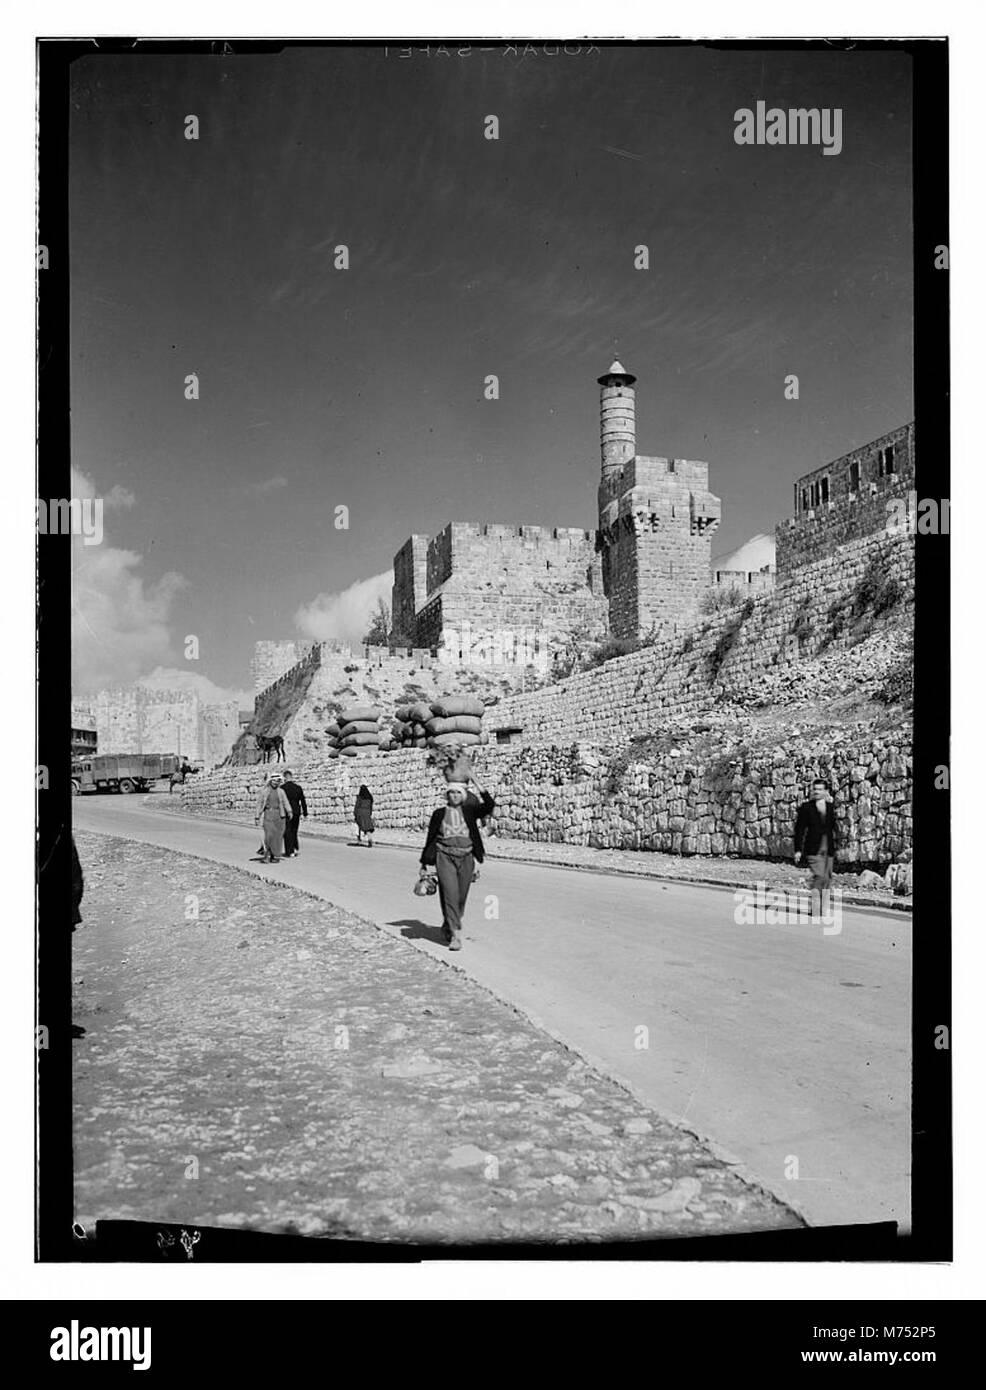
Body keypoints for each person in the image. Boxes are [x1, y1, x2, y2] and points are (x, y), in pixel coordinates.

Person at [420, 772, 495, 951]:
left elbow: (490, 805)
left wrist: (477, 782)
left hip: (467, 857)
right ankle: (456, 936)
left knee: (461, 897)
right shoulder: (439, 814)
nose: (454, 796)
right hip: (444, 857)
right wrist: (423, 864)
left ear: (462, 795)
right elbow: (430, 838)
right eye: (451, 793)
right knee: (450, 894)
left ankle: (449, 922)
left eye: (457, 793)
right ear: (447, 795)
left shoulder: (470, 811)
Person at [794, 777, 838, 916]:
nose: (817, 792)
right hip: (813, 848)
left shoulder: (831, 807)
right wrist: (798, 850)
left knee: (827, 879)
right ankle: (815, 907)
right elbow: (799, 830)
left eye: (820, 789)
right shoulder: (806, 808)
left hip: (828, 847)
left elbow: (833, 828)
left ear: (826, 791)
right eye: (815, 789)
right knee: (819, 876)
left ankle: (823, 908)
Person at [255, 771, 291, 863]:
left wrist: (289, 811)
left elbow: (285, 802)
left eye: (277, 781)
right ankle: (267, 854)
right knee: (269, 836)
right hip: (268, 815)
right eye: (274, 781)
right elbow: (259, 804)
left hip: (280, 816)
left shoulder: (281, 792)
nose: (276, 783)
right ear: (270, 781)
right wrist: (257, 816)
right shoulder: (265, 792)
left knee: (277, 837)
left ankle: (275, 856)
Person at [282, 769, 308, 858]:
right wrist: (305, 813)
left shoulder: (282, 788)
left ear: (285, 778)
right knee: (294, 830)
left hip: (286, 812)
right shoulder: (298, 788)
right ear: (291, 777)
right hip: (296, 811)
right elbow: (303, 801)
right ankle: (294, 847)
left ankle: (289, 851)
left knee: (287, 831)